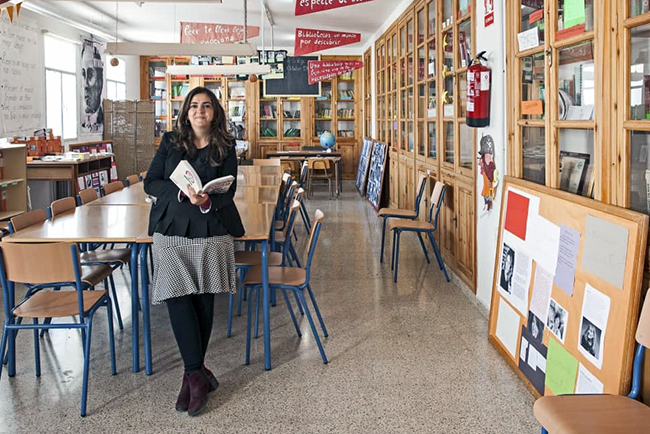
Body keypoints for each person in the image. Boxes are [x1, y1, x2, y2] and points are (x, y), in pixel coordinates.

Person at [144, 86, 244, 416]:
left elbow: (229, 190)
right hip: (171, 227)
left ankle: (194, 375)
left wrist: (208, 199)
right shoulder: (171, 142)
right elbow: (151, 183)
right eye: (194, 106)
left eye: (206, 106)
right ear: (186, 112)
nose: (200, 111)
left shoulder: (227, 145)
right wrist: (181, 192)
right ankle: (195, 373)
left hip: (211, 226)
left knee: (203, 297)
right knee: (176, 296)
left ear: (215, 113)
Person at [81, 41, 104, 133]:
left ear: (100, 82)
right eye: (83, 75)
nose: (85, 85)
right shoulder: (82, 122)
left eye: (90, 75)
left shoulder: (102, 119)